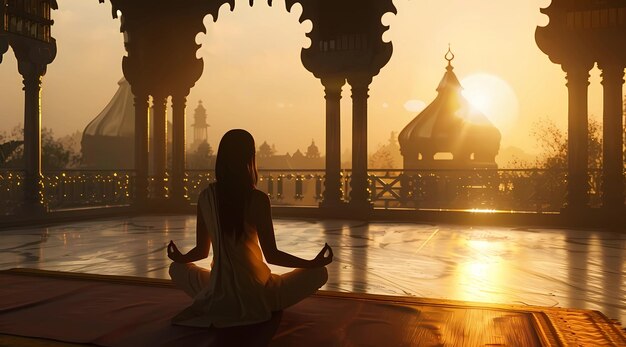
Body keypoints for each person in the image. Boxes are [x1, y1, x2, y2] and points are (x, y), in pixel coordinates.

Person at [167, 129, 333, 328]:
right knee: (319, 273)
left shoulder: (206, 197)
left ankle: (219, 301)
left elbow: (201, 251)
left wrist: (180, 259)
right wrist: (311, 263)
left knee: (175, 269)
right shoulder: (257, 199)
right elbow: (272, 256)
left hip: (216, 289)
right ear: (250, 158)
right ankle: (260, 303)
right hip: (258, 293)